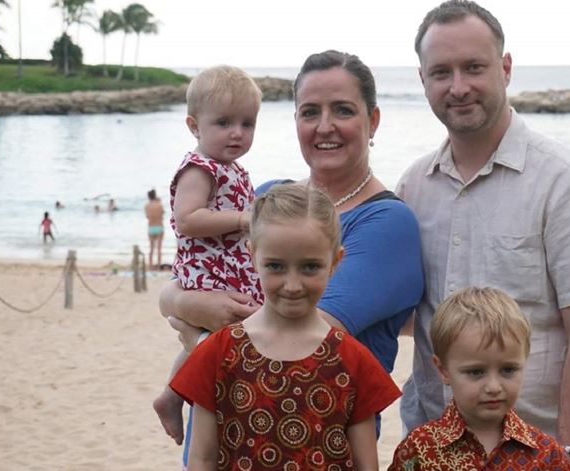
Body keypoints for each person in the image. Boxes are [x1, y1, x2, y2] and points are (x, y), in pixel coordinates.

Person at [158, 51, 424, 463]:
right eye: (309, 112)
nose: (324, 126)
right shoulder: (266, 197)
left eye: (343, 110)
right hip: (224, 441)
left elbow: (288, 337)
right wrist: (184, 302)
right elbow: (185, 279)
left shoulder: (387, 223)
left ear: (372, 121)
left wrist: (198, 342)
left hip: (317, 446)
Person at [396, 2, 570, 470]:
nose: (458, 87)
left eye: (473, 67)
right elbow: (407, 318)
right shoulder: (413, 187)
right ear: (423, 81)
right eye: (441, 72)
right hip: (433, 451)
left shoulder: (566, 182)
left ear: (506, 67)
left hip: (538, 454)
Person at [170, 184, 401, 470]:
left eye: (310, 267)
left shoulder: (354, 361)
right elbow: (202, 459)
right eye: (276, 266)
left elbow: (366, 465)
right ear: (253, 256)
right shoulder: (218, 353)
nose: (293, 285)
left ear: (335, 262)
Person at [152, 65, 265, 447]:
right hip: (207, 269)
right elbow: (186, 220)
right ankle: (173, 396)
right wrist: (243, 219)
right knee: (216, 336)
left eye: (247, 123)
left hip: (231, 268)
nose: (237, 133)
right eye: (224, 122)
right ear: (194, 126)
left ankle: (174, 395)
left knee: (212, 337)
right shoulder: (199, 168)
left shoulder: (234, 168)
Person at [388, 287, 570, 470]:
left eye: (508, 370)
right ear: (443, 370)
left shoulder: (547, 456)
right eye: (476, 372)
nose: (493, 387)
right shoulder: (420, 449)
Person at [144, 189, 165, 269]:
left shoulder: (147, 206)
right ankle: (159, 267)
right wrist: (159, 201)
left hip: (151, 227)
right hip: (159, 226)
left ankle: (151, 266)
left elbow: (147, 216)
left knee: (151, 248)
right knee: (159, 249)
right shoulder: (159, 204)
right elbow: (162, 213)